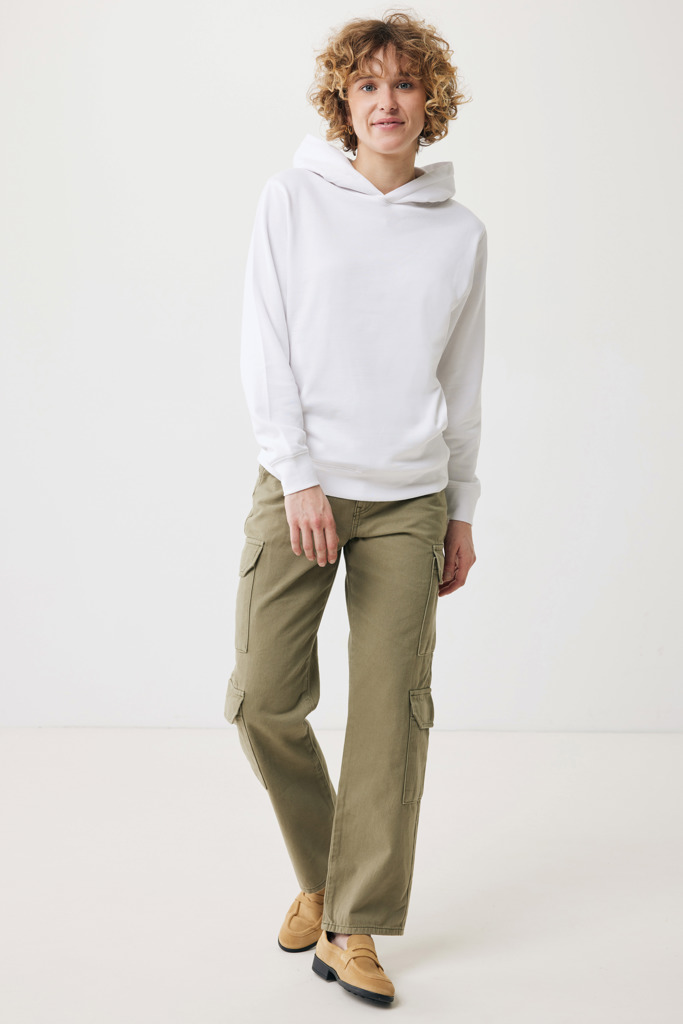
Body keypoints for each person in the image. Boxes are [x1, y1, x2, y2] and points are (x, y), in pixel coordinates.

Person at [224, 11, 488, 1005]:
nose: (386, 101)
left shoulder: (459, 233)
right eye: (367, 84)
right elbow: (264, 343)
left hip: (410, 498)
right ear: (343, 100)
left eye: (404, 84)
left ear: (430, 102)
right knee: (261, 698)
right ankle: (323, 875)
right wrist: (297, 475)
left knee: (389, 720)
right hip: (301, 486)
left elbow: (461, 380)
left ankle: (353, 925)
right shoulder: (291, 198)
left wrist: (461, 507)